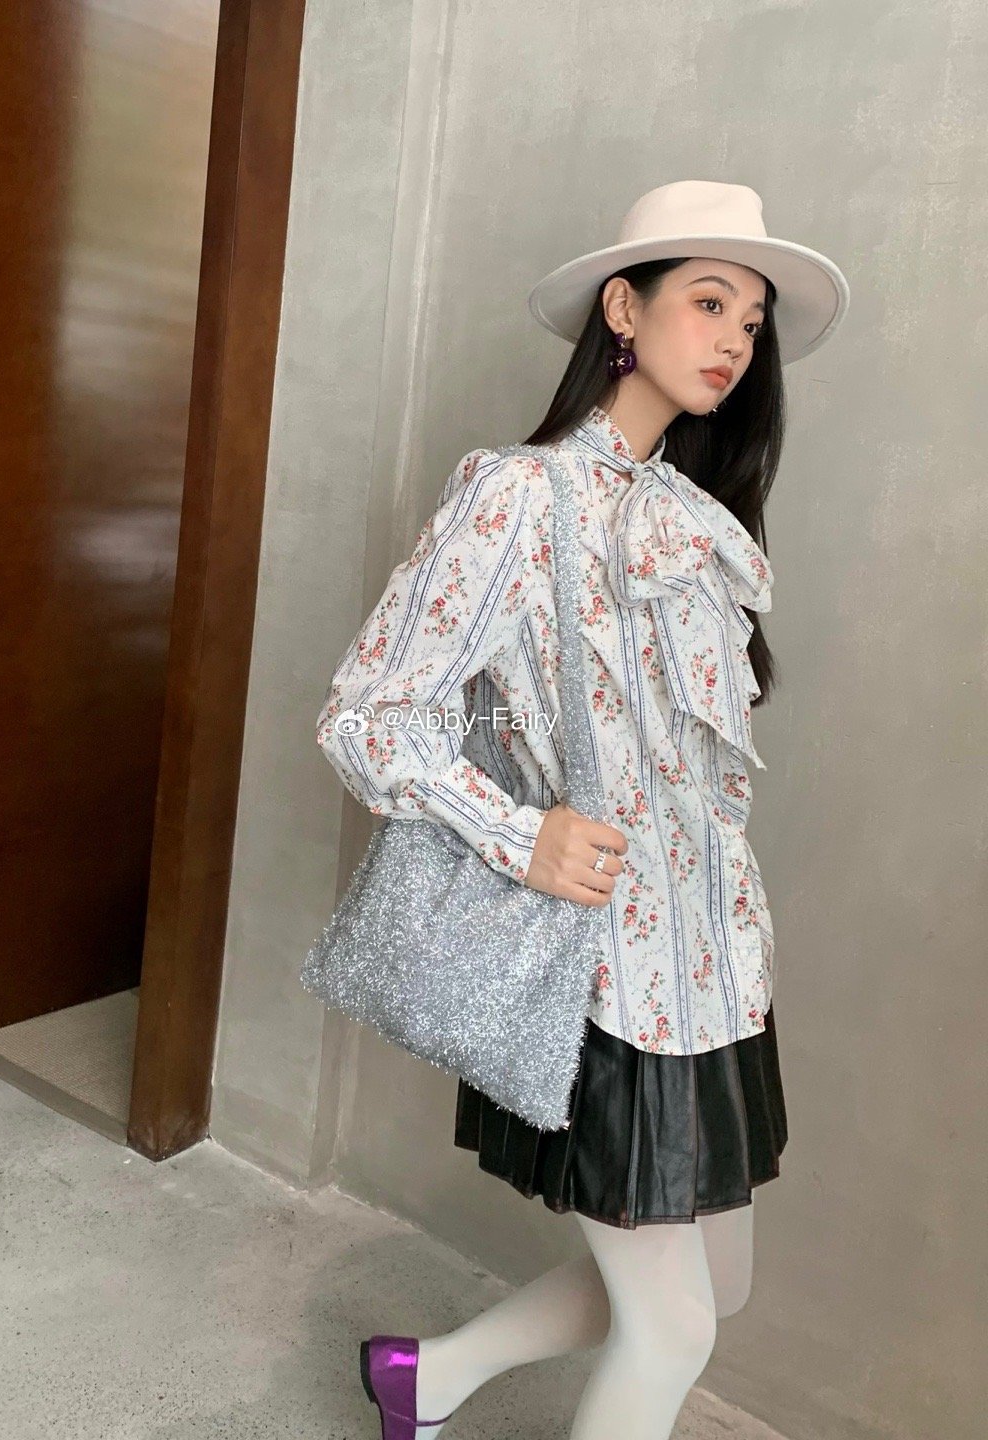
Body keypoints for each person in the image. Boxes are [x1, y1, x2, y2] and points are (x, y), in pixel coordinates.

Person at [314, 180, 850, 1440]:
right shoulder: (520, 495)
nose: (734, 339)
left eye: (752, 320)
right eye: (707, 302)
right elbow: (368, 713)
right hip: (604, 972)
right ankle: (428, 1384)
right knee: (674, 1329)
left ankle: (424, 1380)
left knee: (713, 1289)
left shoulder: (693, 516)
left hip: (713, 968)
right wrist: (524, 833)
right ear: (624, 308)